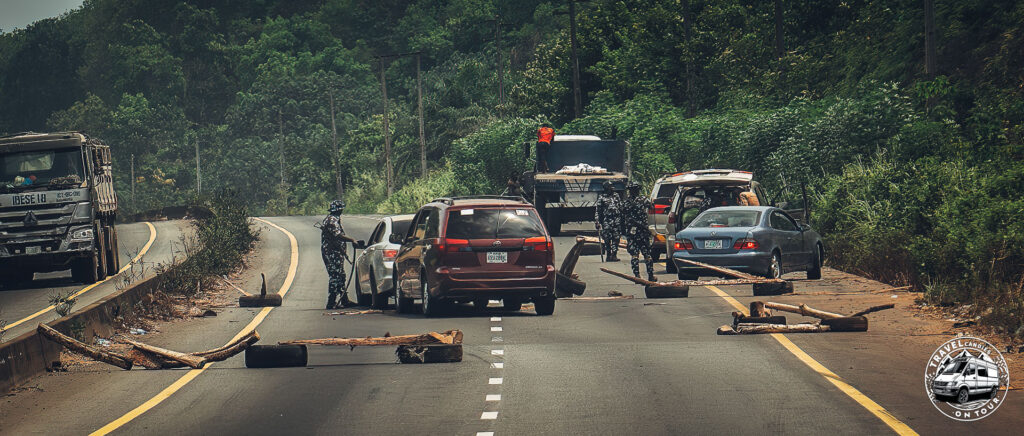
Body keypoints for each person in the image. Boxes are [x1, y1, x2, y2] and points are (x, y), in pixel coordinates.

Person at [321, 200, 356, 309]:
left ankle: (344, 300)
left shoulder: (334, 219)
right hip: (332, 253)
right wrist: (352, 240)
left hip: (336, 252)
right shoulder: (332, 220)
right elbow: (338, 235)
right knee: (335, 276)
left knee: (340, 276)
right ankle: (331, 302)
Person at [623, 181, 655, 280]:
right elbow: (651, 207)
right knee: (647, 254)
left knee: (634, 254)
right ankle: (650, 275)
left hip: (632, 232)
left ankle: (637, 275)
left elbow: (622, 214)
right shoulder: (644, 200)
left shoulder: (626, 202)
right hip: (643, 231)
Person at [595, 180, 622, 262]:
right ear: (606, 188)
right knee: (607, 238)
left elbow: (620, 206)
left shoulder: (616, 196)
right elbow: (598, 210)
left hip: (616, 219)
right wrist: (597, 221)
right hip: (607, 220)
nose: (612, 187)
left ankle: (614, 254)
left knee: (616, 238)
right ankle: (608, 254)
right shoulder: (601, 197)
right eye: (610, 186)